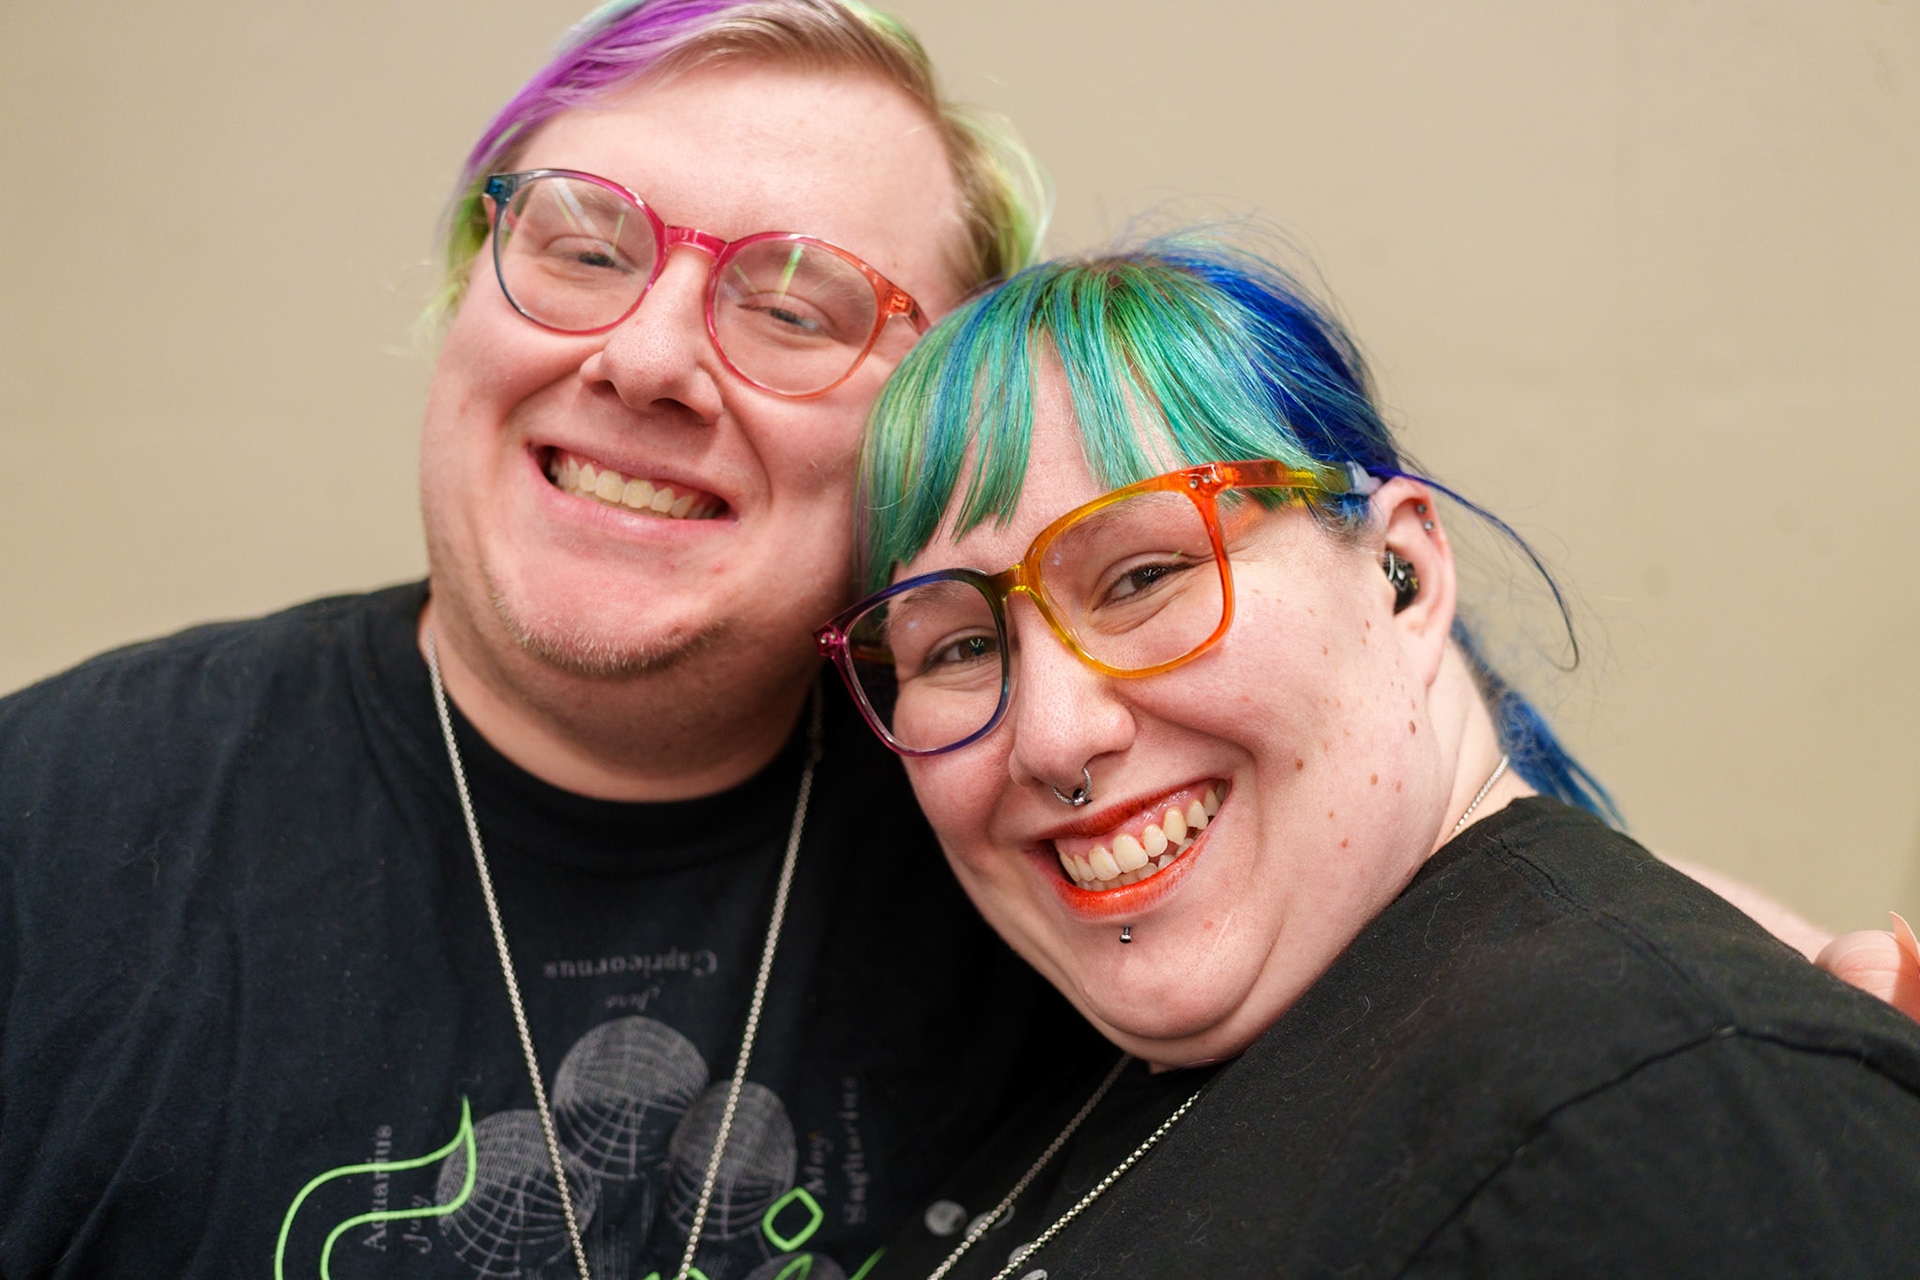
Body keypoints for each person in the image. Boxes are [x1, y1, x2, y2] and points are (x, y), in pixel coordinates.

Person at [0, 4, 1102, 1278]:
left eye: (796, 313)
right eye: (583, 249)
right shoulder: (46, 823)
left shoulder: (1045, 842)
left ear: (933, 438)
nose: (645, 358)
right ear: (465, 288)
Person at [820, 235, 1920, 1277]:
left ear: (1404, 576)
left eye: (1145, 575)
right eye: (960, 647)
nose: (1054, 737)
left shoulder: (1668, 1099)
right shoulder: (1069, 1048)